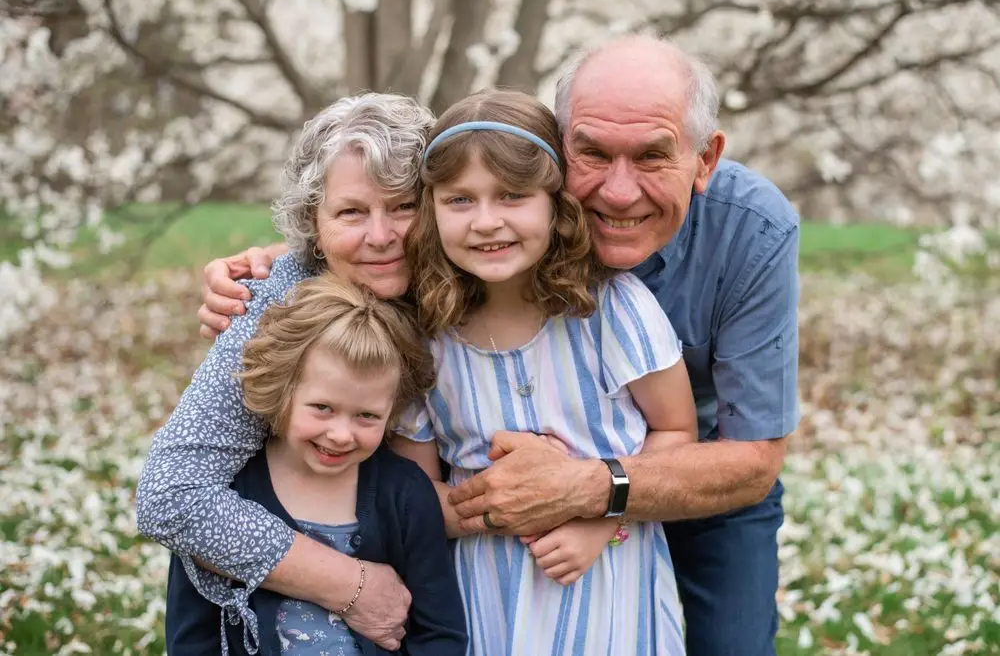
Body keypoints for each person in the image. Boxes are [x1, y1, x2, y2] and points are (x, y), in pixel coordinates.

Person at [199, 34, 800, 656]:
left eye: (651, 155)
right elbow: (394, 222)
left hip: (697, 486)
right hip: (485, 578)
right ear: (561, 154)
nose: (619, 191)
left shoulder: (725, 245)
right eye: (593, 153)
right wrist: (286, 264)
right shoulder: (432, 322)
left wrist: (597, 502)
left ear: (704, 159)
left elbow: (745, 455)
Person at [388, 89, 696, 655]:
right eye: (460, 200)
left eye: (513, 195)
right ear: (431, 210)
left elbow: (676, 431)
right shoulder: (425, 335)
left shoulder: (611, 311)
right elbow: (416, 490)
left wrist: (601, 517)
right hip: (484, 594)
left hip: (606, 580)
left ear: (557, 205)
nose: (486, 222)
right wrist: (499, 507)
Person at [136, 92, 438, 652]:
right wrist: (350, 585)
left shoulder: (479, 269)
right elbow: (171, 494)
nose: (381, 235)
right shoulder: (277, 301)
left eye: (404, 206)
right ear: (313, 226)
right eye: (351, 212)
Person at [165, 273, 466, 655]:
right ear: (283, 389)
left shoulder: (406, 495)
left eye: (367, 416)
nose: (341, 434)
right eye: (323, 408)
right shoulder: (228, 492)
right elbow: (191, 633)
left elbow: (440, 632)